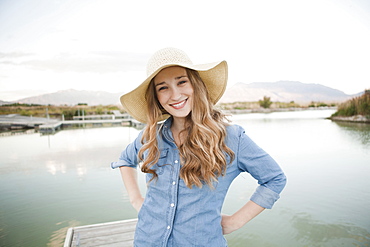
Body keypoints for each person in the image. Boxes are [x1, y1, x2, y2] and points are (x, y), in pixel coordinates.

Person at [111, 47, 286, 246]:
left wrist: (235, 221)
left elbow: (274, 178)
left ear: (196, 85)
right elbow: (125, 160)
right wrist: (136, 201)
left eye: (181, 82)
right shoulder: (151, 136)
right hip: (147, 240)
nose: (175, 95)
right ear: (157, 98)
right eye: (163, 87)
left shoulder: (231, 138)